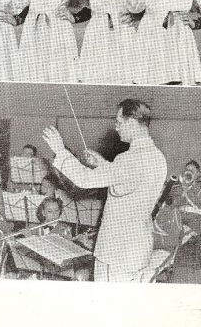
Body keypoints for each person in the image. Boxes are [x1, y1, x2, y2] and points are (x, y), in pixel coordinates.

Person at [42, 98, 168, 281]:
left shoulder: (129, 159)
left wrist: (60, 151)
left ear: (132, 122)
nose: (116, 128)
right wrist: (103, 164)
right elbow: (131, 183)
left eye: (119, 122)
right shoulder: (157, 156)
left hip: (116, 253)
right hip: (138, 249)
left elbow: (84, 179)